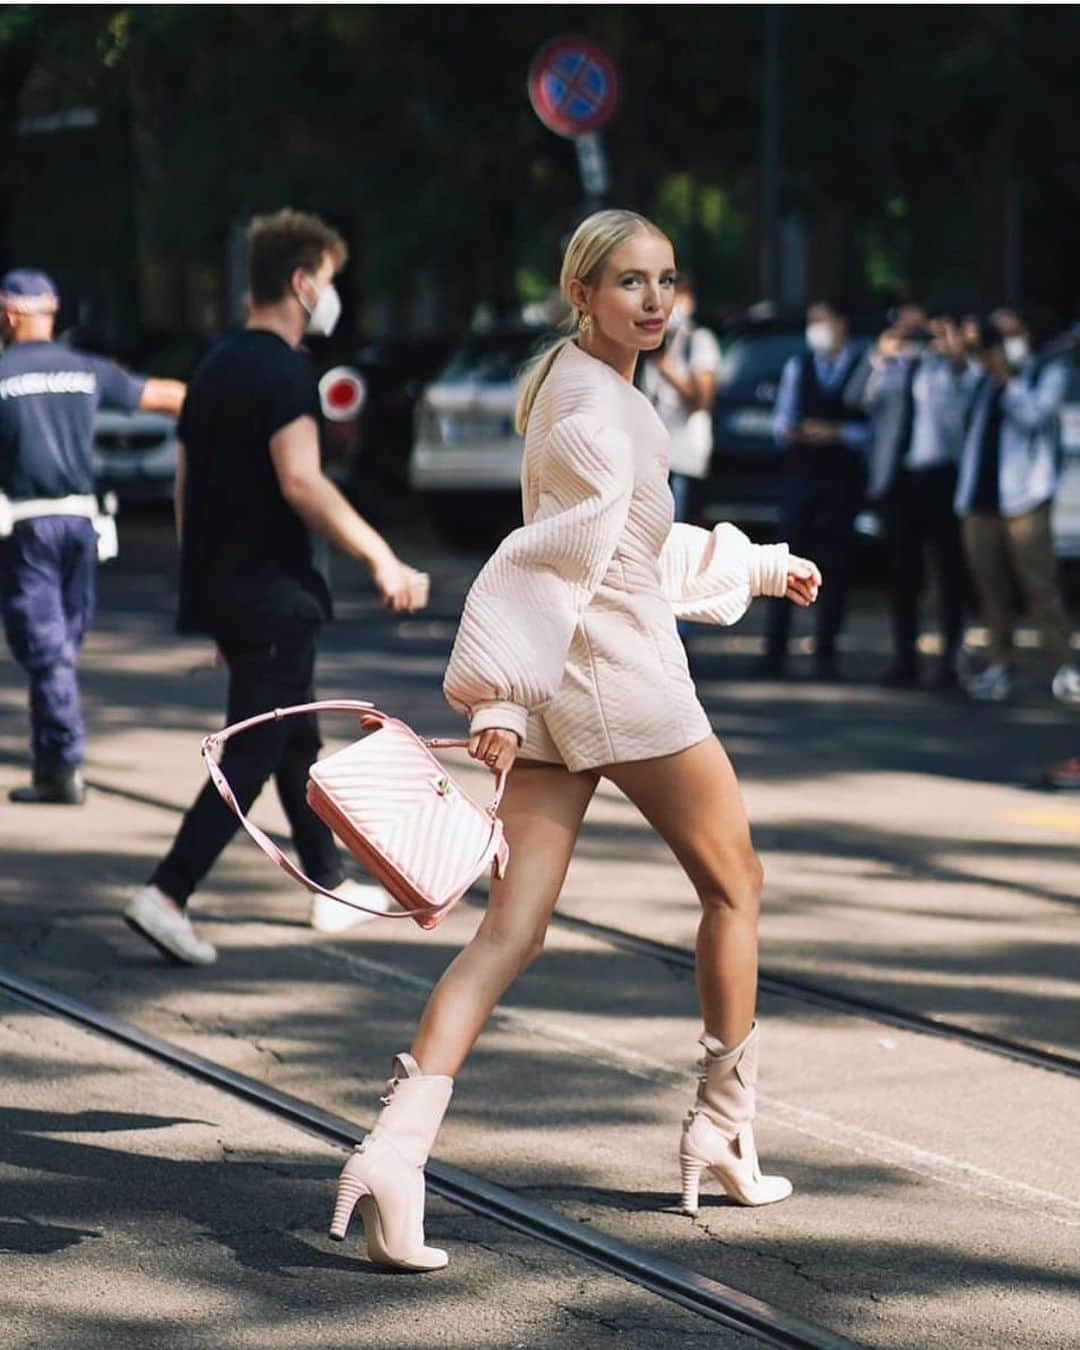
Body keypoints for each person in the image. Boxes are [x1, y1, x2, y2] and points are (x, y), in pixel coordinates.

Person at [326, 209, 822, 1272]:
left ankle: (392, 1157)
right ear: (583, 292)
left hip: (566, 686)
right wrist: (500, 697)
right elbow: (553, 562)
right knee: (736, 887)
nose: (655, 302)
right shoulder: (601, 411)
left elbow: (628, 545)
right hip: (621, 683)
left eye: (667, 282)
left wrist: (760, 566)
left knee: (511, 930)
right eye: (631, 283)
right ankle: (722, 1124)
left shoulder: (572, 386)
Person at [124, 209, 427, 967]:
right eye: (326, 279)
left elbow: (186, 485)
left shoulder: (216, 367)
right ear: (300, 281)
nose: (330, 294)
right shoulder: (287, 371)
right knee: (257, 747)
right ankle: (167, 892)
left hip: (235, 593)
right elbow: (302, 480)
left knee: (294, 737)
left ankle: (328, 887)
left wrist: (206, 595)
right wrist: (381, 558)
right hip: (275, 592)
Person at [0, 269, 185, 804]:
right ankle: (50, 761)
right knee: (62, 646)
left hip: (26, 527)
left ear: (9, 315)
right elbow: (168, 397)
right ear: (51, 313)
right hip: (82, 526)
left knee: (46, 649)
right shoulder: (85, 369)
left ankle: (63, 768)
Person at [851, 306, 978, 688]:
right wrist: (879, 356)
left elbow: (969, 406)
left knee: (950, 573)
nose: (922, 343)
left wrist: (956, 357)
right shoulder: (892, 369)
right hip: (902, 480)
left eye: (927, 334)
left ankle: (950, 661)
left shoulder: (954, 372)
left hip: (943, 478)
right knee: (903, 574)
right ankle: (905, 658)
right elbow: (856, 398)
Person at [956, 313, 1079, 705]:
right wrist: (963, 359)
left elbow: (1035, 416)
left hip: (1026, 497)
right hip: (980, 497)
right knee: (991, 589)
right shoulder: (980, 377)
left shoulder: (1048, 372)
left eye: (1008, 335)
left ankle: (1064, 666)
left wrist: (1006, 375)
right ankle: (999, 664)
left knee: (1040, 587)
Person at [760, 297, 868, 680]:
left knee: (835, 566)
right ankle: (774, 652)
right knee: (784, 562)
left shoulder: (864, 365)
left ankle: (826, 652)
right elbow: (781, 420)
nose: (816, 329)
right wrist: (793, 431)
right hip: (801, 474)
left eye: (823, 321)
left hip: (840, 478)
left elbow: (873, 427)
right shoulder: (799, 365)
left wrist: (836, 432)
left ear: (842, 325)